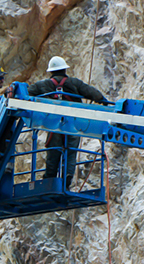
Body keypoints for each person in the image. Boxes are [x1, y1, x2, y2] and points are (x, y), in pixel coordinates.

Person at [28, 56, 113, 188]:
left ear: (51, 71)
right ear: (64, 70)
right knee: (71, 152)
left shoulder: (42, 85)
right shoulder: (74, 83)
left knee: (53, 154)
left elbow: (26, 93)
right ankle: (67, 179)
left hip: (54, 126)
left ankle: (49, 181)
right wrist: (104, 101)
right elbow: (92, 93)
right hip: (73, 125)